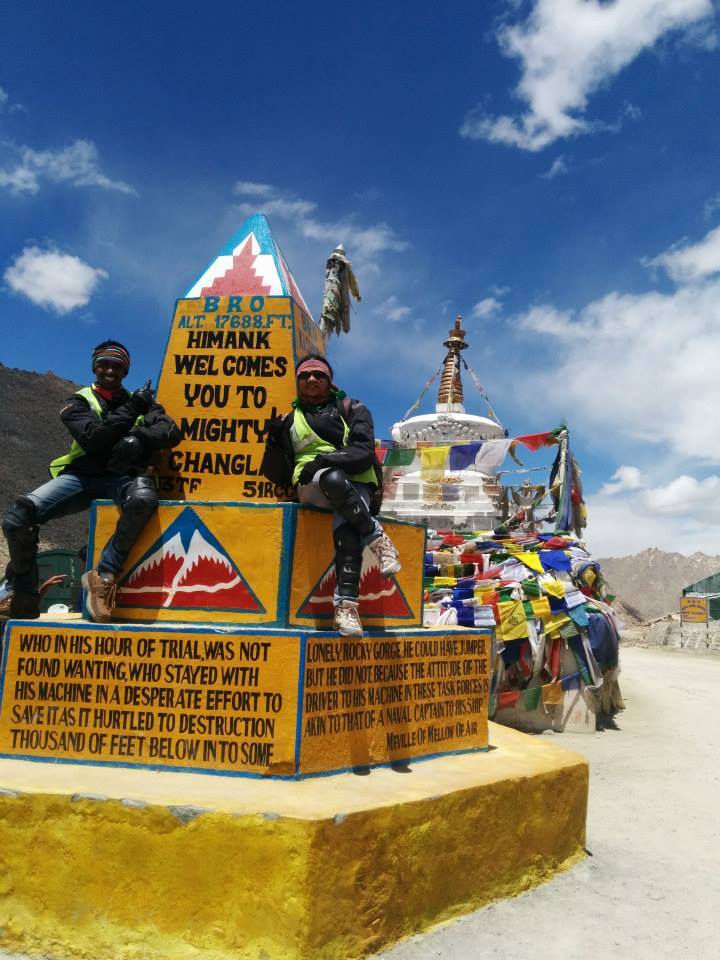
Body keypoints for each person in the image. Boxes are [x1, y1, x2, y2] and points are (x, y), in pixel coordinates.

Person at [0, 340, 180, 623]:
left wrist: (140, 437)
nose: (110, 369)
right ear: (95, 367)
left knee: (144, 499)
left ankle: (104, 578)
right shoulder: (78, 401)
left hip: (122, 477)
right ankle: (23, 593)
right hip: (80, 476)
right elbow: (94, 439)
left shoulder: (144, 402)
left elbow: (170, 431)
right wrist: (135, 407)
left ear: (125, 370)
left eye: (116, 365)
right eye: (104, 364)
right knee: (17, 518)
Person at [261, 354, 400, 637]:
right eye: (305, 375)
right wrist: (274, 442)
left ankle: (345, 608)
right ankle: (377, 538)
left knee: (347, 528)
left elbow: (363, 452)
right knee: (333, 481)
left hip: (356, 483)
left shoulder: (353, 408)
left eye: (319, 375)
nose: (312, 379)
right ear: (297, 381)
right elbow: (277, 475)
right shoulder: (290, 420)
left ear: (330, 381)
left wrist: (324, 460)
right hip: (312, 485)